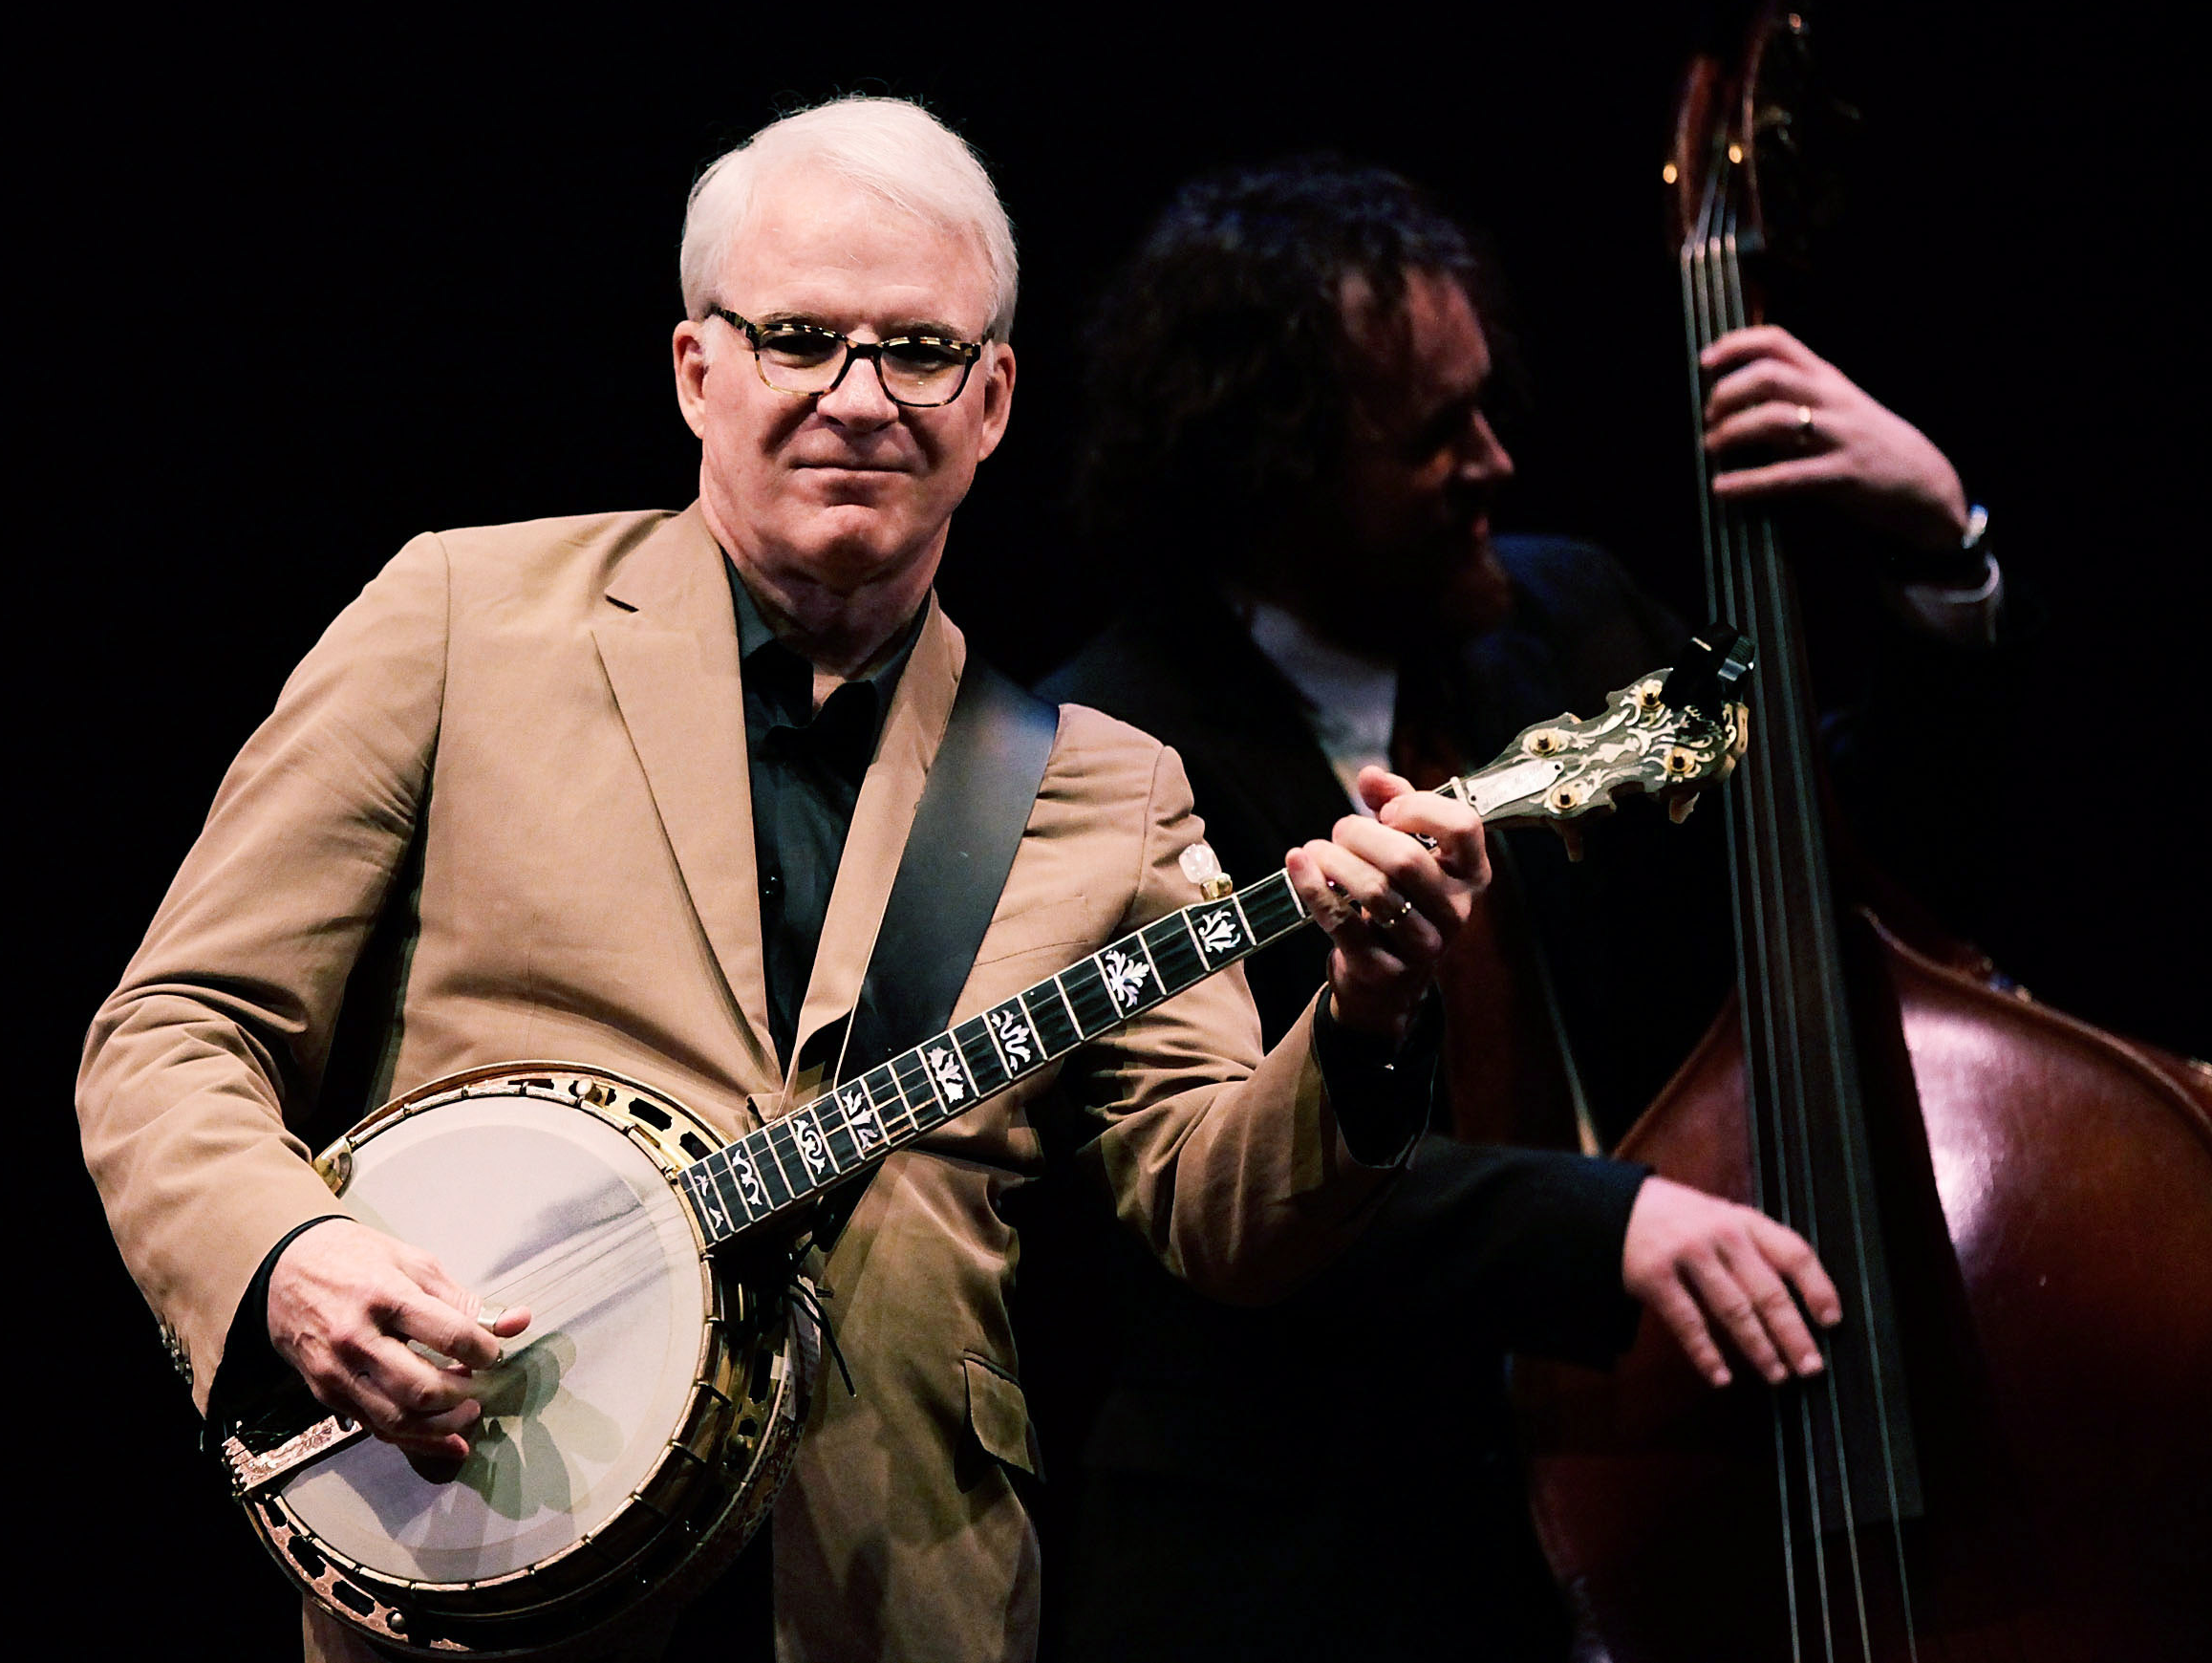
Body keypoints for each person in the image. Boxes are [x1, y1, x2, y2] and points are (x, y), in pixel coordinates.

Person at [75, 104, 1497, 1663]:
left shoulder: (1104, 784)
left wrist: (1367, 1011)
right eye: (801, 338)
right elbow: (176, 1028)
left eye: (919, 351)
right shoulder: (458, 621)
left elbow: (1226, 1212)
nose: (858, 398)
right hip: (484, 1546)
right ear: (697, 368)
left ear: (995, 398)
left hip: (890, 1603)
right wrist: (287, 1259)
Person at [1031, 158, 2004, 1661]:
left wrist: (1942, 552)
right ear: (1273, 478)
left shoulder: (1577, 616)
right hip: (1309, 1576)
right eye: (1435, 435)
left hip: (1664, 1505)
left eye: (1488, 404)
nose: (1496, 459)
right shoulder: (1097, 753)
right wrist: (1594, 1221)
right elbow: (1194, 1185)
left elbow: (1856, 861)